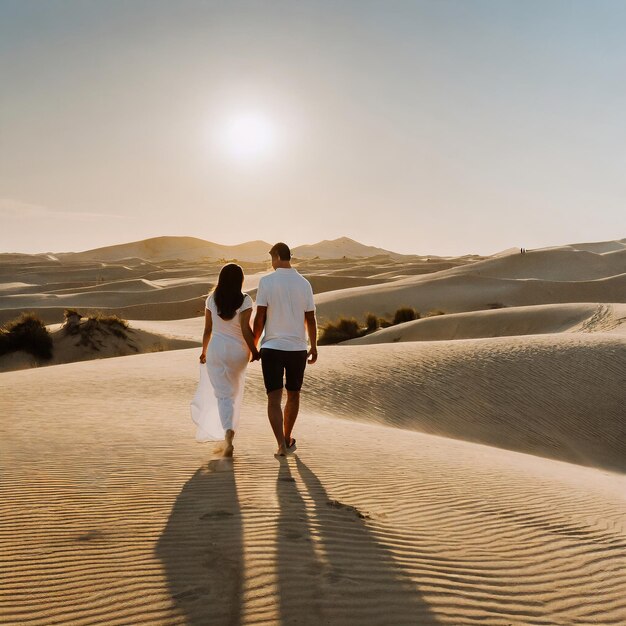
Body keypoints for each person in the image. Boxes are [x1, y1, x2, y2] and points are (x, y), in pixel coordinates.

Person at [253, 242, 317, 457]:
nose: (271, 263)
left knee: (273, 399)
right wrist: (314, 346)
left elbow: (260, 316)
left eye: (271, 258)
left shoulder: (266, 282)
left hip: (271, 347)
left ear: (278, 256)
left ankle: (282, 443)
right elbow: (311, 318)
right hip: (297, 349)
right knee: (293, 395)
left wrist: (253, 345)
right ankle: (287, 437)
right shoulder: (304, 283)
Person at [190, 263, 260, 457]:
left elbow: (207, 330)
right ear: (240, 281)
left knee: (223, 395)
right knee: (234, 393)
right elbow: (246, 329)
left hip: (216, 351)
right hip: (238, 353)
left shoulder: (211, 300)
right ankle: (230, 431)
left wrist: (204, 352)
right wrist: (255, 351)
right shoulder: (245, 300)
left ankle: (227, 431)